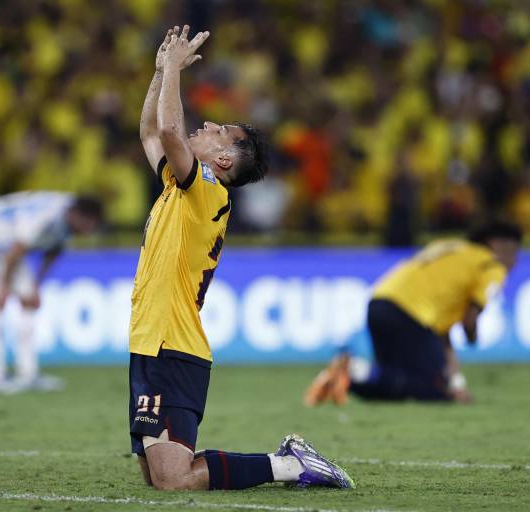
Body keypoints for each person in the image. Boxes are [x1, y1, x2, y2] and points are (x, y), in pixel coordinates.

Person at [129, 24, 354, 492]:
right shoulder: (180, 185)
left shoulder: (208, 190)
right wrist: (160, 72)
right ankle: (284, 463)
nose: (207, 126)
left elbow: (168, 129)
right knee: (158, 476)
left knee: (174, 479)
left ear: (225, 162)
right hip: (152, 342)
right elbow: (150, 131)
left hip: (174, 346)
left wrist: (175, 70)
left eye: (220, 132)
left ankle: (288, 464)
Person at [304, 220, 523, 405]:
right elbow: (469, 321)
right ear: (498, 245)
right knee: (432, 388)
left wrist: (457, 384)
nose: (515, 260)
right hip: (410, 314)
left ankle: (352, 374)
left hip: (380, 303)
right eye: (514, 252)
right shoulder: (492, 265)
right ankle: (354, 369)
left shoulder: (450, 247)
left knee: (391, 382)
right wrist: (472, 337)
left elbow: (442, 338)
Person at [0, 191, 102, 393]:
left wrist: (37, 285)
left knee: (29, 300)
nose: (90, 230)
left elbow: (53, 251)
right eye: (90, 224)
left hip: (7, 246)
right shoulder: (47, 217)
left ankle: (28, 374)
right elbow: (18, 248)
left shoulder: (69, 216)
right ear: (79, 215)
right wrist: (3, 286)